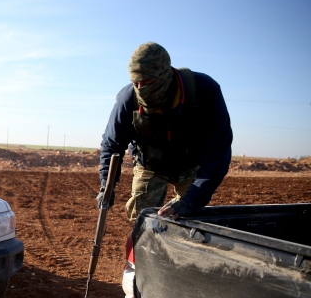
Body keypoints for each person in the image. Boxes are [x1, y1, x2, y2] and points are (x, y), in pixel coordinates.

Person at [98, 42, 232, 221]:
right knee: (142, 219)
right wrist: (106, 185)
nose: (141, 89)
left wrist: (191, 201)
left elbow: (219, 150)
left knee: (190, 219)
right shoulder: (128, 98)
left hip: (191, 163)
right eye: (136, 83)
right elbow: (112, 144)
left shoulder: (203, 90)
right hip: (150, 163)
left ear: (164, 76)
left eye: (147, 83)